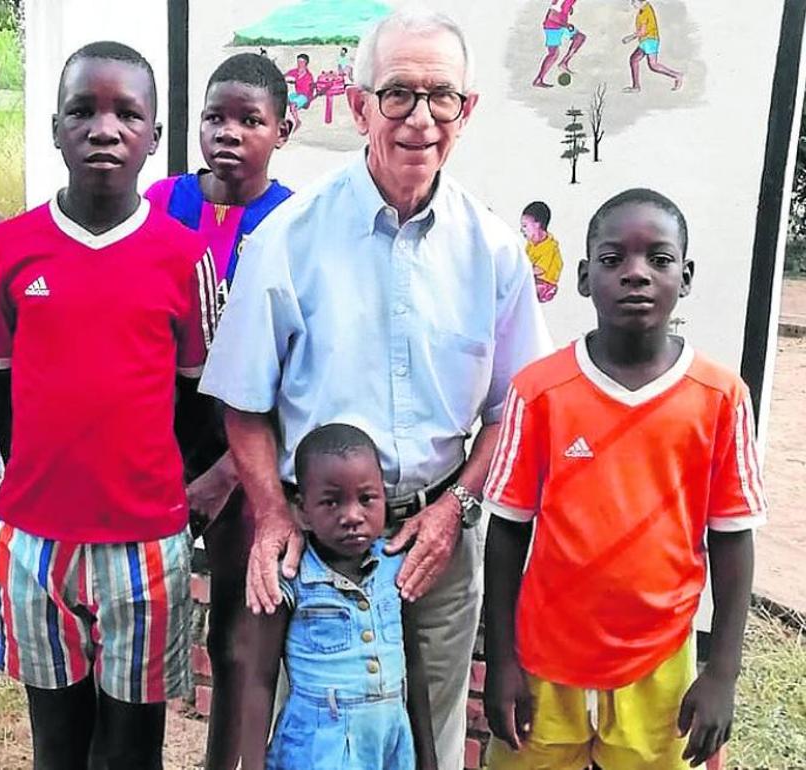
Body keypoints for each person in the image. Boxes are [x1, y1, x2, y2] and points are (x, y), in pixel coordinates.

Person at [199, 10, 552, 769]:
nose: (419, 118)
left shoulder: (494, 251)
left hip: (437, 544)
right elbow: (243, 402)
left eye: (441, 96)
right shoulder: (287, 239)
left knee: (430, 743)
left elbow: (511, 412)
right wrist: (268, 513)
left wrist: (456, 509)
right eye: (397, 93)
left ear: (468, 111)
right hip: (318, 550)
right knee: (321, 739)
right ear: (358, 106)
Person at [0, 41, 218, 770]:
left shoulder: (184, 257)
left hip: (144, 545)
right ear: (55, 128)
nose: (104, 128)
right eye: (82, 110)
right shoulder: (7, 250)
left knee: (133, 745)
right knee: (56, 742)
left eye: (127, 113)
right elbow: (1, 391)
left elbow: (195, 402)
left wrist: (165, 493)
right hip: (37, 542)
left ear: (153, 136)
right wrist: (46, 482)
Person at [483, 189, 765, 769]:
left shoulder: (720, 398)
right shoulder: (539, 392)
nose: (636, 274)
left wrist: (723, 672)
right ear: (585, 277)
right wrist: (503, 660)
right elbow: (508, 532)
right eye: (614, 260)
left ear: (685, 277)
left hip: (658, 663)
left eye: (658, 259)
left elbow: (733, 538)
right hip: (544, 660)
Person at [144, 51, 292, 769]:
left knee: (234, 634)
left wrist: (228, 477)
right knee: (138, 620)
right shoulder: (160, 200)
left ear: (282, 130)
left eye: (250, 120)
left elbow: (293, 374)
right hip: (153, 443)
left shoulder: (296, 223)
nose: (229, 133)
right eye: (215, 118)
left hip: (246, 452)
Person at [245, 423, 437, 770]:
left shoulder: (397, 570)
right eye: (331, 502)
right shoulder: (290, 578)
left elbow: (414, 667)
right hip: (317, 750)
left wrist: (428, 759)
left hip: (387, 747)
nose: (352, 516)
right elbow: (259, 678)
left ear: (384, 497)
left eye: (366, 499)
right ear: (303, 510)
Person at [623, 0, 684, 92]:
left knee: (653, 65)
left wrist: (629, 38)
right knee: (634, 60)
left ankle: (677, 75)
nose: (632, 4)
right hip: (646, 41)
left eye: (634, 1)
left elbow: (642, 32)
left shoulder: (644, 11)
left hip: (649, 40)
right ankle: (636, 86)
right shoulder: (644, 9)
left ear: (641, 1)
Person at [533, 0, 586, 88]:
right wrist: (566, 25)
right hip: (553, 26)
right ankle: (539, 79)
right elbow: (552, 15)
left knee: (579, 38)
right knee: (554, 54)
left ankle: (563, 63)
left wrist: (568, 8)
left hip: (558, 26)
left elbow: (560, 7)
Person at [520, 201, 563, 302]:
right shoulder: (531, 244)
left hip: (546, 284)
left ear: (537, 225)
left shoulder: (549, 246)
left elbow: (540, 269)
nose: (522, 230)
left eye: (525, 226)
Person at [283, 53, 315, 126]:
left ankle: (297, 121)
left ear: (306, 63)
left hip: (305, 96)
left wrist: (294, 81)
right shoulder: (294, 71)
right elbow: (284, 76)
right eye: (298, 62)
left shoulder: (309, 76)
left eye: (302, 62)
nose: (299, 64)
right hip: (296, 94)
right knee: (281, 100)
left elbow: (309, 92)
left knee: (293, 105)